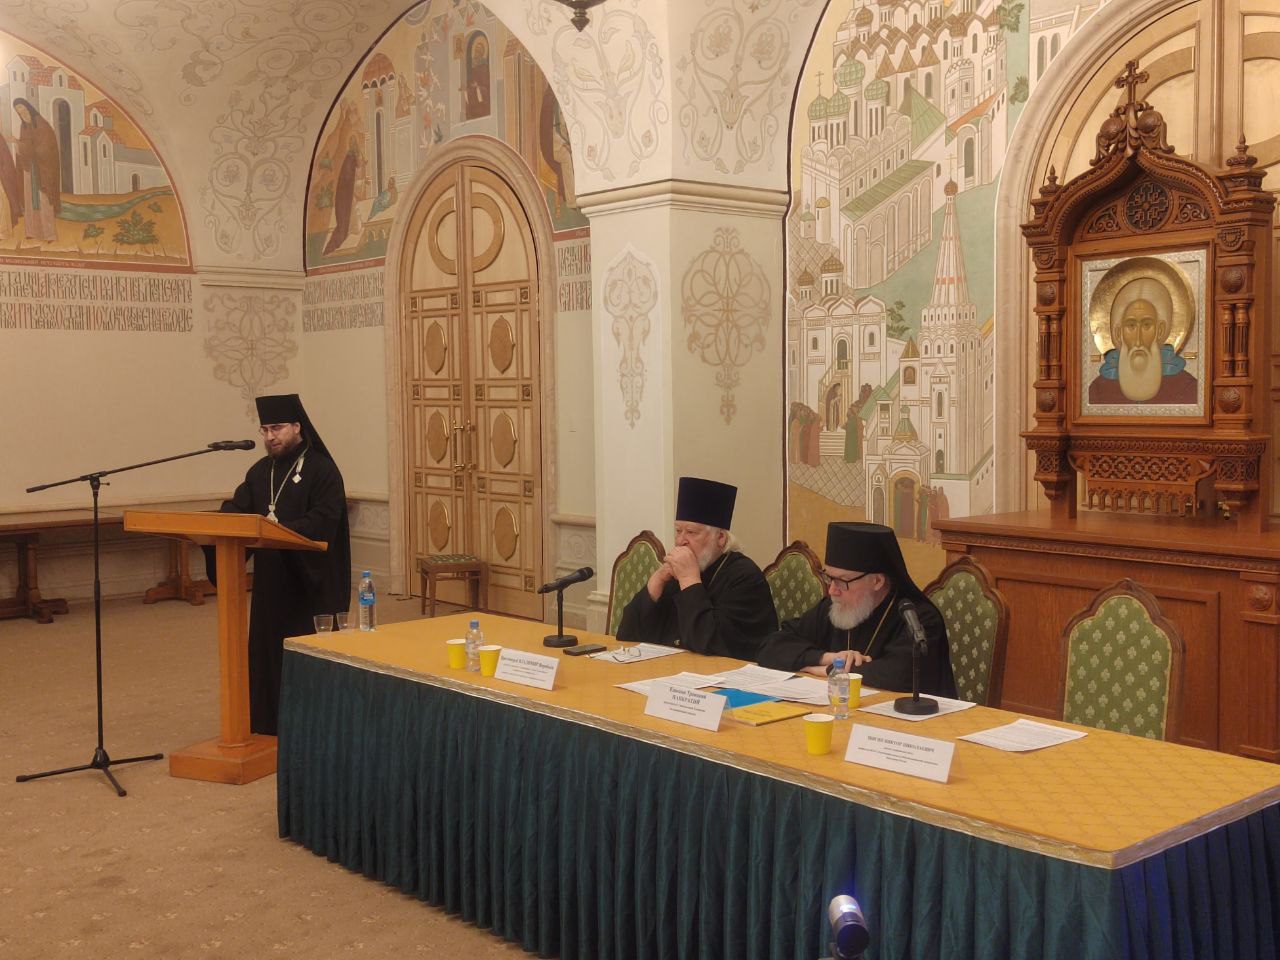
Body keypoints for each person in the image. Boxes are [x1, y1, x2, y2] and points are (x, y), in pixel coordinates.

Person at [209, 394, 351, 735]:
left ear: (297, 427)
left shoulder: (322, 470)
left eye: (277, 428)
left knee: (305, 656)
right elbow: (239, 508)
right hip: (272, 584)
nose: (270, 437)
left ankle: (311, 728)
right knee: (268, 652)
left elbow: (324, 520)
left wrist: (279, 530)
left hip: (310, 582)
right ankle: (267, 723)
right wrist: (220, 520)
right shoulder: (261, 471)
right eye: (265, 430)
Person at [756, 521, 956, 697]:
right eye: (829, 578)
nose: (832, 590)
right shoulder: (833, 608)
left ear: (877, 581)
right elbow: (770, 647)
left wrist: (829, 670)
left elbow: (901, 676)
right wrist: (828, 658)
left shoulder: (916, 617)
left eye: (842, 581)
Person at [616, 476, 777, 659]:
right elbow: (627, 636)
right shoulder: (674, 574)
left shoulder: (744, 578)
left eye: (691, 532)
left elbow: (711, 645)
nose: (680, 541)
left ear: (721, 538)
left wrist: (689, 580)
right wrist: (656, 582)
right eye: (678, 531)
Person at [1088, 276, 1196, 405]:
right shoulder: (1099, 390)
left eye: (1146, 325)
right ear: (1118, 333)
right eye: (1131, 326)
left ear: (1160, 331)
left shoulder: (1186, 387)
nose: (1138, 340)